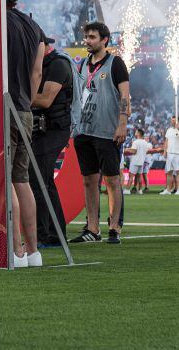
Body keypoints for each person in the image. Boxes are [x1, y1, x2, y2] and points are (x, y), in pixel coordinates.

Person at [69, 22, 129, 245]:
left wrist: (122, 124)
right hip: (84, 129)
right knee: (88, 181)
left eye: (92, 37)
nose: (88, 40)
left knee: (112, 180)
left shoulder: (115, 63)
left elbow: (124, 96)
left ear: (104, 40)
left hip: (107, 130)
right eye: (86, 36)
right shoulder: (83, 63)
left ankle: (114, 228)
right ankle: (92, 229)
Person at [5, 0, 44, 267]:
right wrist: (27, 104)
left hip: (3, 107)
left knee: (5, 179)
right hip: (25, 109)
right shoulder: (34, 26)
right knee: (22, 179)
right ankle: (33, 252)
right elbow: (36, 73)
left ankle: (15, 252)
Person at [28, 36, 73, 246]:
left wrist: (17, 94)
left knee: (40, 180)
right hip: (41, 128)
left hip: (54, 128)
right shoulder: (41, 64)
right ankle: (53, 235)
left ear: (45, 45)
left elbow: (45, 100)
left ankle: (46, 235)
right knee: (42, 180)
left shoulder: (58, 64)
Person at [160, 117, 179, 195]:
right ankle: (168, 190)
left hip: (177, 153)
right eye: (171, 120)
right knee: (169, 172)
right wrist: (165, 152)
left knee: (178, 171)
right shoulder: (169, 130)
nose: (172, 122)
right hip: (169, 153)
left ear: (178, 121)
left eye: (174, 120)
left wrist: (178, 129)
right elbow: (166, 141)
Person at [126, 128, 152, 195]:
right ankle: (140, 190)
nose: (135, 132)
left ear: (138, 133)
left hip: (135, 161)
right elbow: (146, 151)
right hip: (141, 162)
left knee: (131, 176)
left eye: (136, 132)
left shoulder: (136, 142)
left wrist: (127, 149)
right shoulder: (145, 143)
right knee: (139, 176)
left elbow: (134, 151)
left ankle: (127, 190)